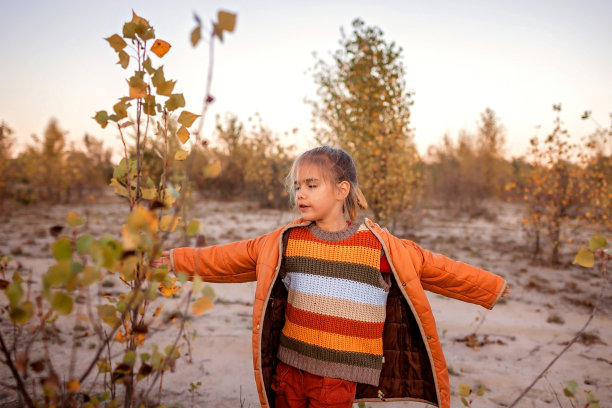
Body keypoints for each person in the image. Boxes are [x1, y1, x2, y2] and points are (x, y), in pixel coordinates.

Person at [152, 146, 509, 408]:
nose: (301, 194)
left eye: (311, 184)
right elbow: (233, 257)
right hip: (289, 368)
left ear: (341, 190)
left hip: (339, 378)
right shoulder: (287, 241)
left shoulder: (377, 246)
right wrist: (180, 260)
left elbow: (437, 268)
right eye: (297, 186)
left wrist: (491, 288)